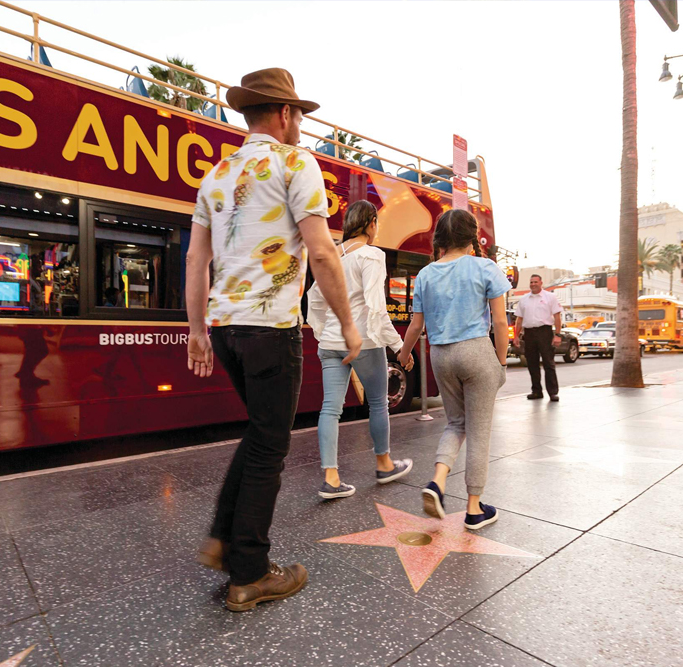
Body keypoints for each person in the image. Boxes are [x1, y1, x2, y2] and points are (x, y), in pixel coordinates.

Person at [184, 68, 361, 612]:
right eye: (300, 115)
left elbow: (196, 260)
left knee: (260, 436)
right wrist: (348, 325)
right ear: (284, 115)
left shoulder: (214, 178)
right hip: (271, 330)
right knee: (270, 447)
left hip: (227, 328)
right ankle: (252, 573)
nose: (301, 125)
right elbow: (324, 251)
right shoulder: (294, 163)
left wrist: (195, 330)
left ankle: (223, 540)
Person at [397, 209, 510, 530]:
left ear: (442, 238)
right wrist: (501, 363)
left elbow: (415, 326)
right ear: (471, 235)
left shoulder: (426, 274)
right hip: (475, 351)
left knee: (455, 424)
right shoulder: (485, 267)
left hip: (440, 356)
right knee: (479, 431)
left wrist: (405, 355)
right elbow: (500, 322)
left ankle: (437, 482)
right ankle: (474, 508)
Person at [306, 200, 413, 500]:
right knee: (378, 403)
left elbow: (313, 299)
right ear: (370, 223)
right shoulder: (371, 255)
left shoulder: (332, 255)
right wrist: (398, 345)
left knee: (330, 408)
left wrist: (323, 330)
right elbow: (376, 307)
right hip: (364, 341)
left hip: (330, 342)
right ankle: (384, 465)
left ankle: (331, 479)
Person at [514, 274, 563, 401]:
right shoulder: (524, 299)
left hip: (544, 332)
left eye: (535, 282)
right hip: (529, 333)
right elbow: (519, 319)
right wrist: (516, 336)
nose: (533, 284)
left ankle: (552, 392)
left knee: (548, 363)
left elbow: (557, 317)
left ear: (541, 283)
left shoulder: (550, 297)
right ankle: (536, 391)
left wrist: (557, 335)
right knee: (532, 363)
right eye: (531, 282)